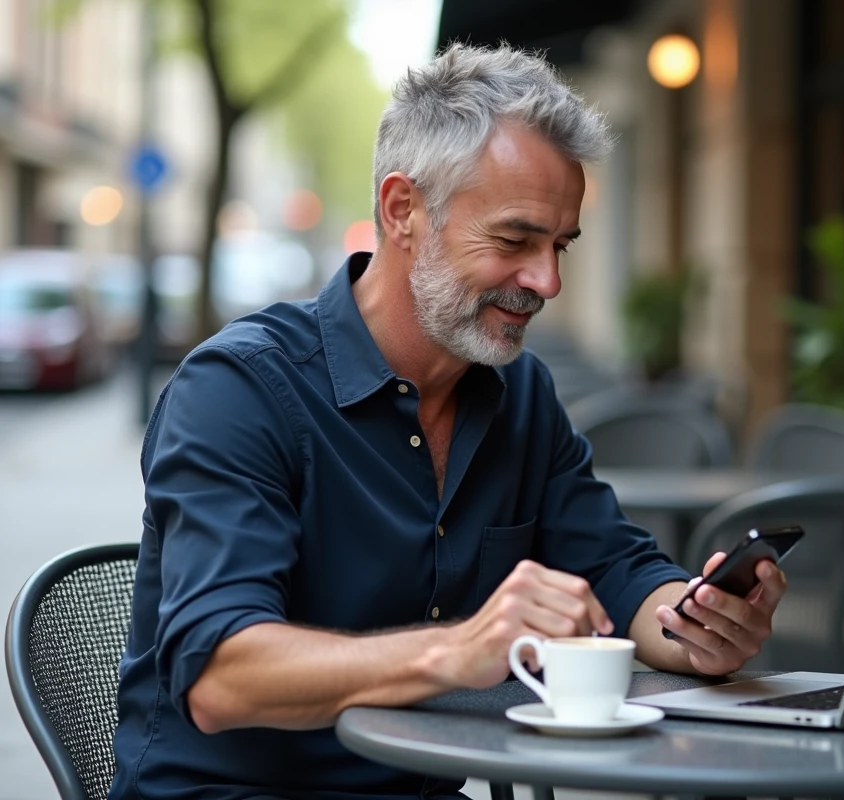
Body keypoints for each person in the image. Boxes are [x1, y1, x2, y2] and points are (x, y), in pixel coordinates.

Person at [109, 44, 787, 800]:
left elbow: (618, 571)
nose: (548, 281)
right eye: (515, 240)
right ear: (403, 211)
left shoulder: (520, 394)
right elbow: (220, 677)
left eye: (560, 245)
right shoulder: (238, 389)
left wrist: (695, 627)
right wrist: (460, 650)